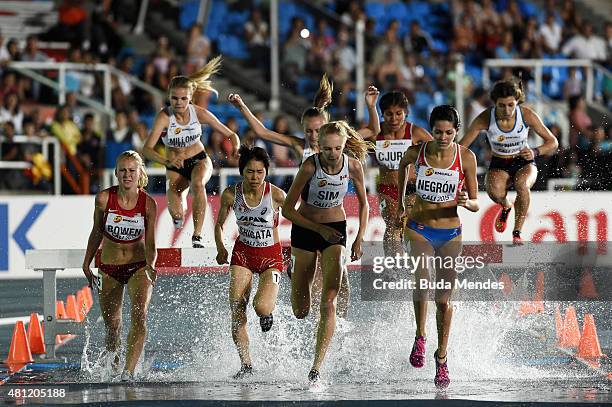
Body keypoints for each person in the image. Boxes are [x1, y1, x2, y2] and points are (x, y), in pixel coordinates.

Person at [228, 75, 379, 317]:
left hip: (332, 219)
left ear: (327, 128)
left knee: (341, 280)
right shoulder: (302, 147)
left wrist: (371, 106)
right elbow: (263, 132)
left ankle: (338, 324)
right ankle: (303, 288)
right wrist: (242, 106)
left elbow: (373, 130)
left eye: (317, 130)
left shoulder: (339, 144)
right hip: (307, 220)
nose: (312, 135)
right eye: (308, 130)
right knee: (307, 297)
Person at [396, 105, 479, 389]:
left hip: (450, 234)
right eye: (438, 132)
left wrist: (468, 202)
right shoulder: (417, 153)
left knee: (443, 301)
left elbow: (477, 202)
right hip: (419, 228)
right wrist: (400, 204)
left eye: (449, 132)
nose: (443, 137)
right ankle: (420, 336)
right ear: (431, 130)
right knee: (422, 282)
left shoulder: (466, 157)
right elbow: (401, 167)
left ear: (457, 131)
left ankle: (441, 357)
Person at [282, 121, 371, 385]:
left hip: (335, 230)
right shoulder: (310, 166)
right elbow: (288, 209)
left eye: (338, 148)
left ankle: (316, 367)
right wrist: (317, 229)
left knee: (329, 300)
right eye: (328, 148)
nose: (333, 154)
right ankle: (294, 272)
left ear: (344, 146)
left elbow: (365, 205)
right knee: (301, 309)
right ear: (319, 146)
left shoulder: (352, 166)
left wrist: (358, 239)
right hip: (306, 228)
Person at [143, 56, 239, 248]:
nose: (179, 103)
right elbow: (146, 149)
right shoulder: (164, 117)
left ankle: (197, 236)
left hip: (199, 159)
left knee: (198, 184)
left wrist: (236, 146)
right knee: (176, 211)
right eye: (174, 98)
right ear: (169, 97)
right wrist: (166, 161)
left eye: (184, 99)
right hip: (174, 165)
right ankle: (179, 219)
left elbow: (230, 134)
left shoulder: (199, 113)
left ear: (190, 97)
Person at [81, 150, 157, 381]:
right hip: (109, 268)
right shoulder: (104, 199)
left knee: (139, 316)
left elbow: (152, 241)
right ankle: (114, 367)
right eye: (123, 170)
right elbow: (96, 232)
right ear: (116, 173)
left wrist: (151, 264)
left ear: (139, 173)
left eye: (132, 171)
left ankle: (129, 372)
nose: (127, 175)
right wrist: (87, 263)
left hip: (138, 266)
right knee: (112, 326)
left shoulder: (148, 203)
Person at [215, 145, 286, 379]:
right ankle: (246, 365)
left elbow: (297, 218)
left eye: (259, 172)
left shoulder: (275, 195)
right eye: (249, 172)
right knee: (236, 310)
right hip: (243, 255)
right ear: (241, 172)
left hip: (271, 258)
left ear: (266, 172)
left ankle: (267, 313)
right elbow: (218, 225)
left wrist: (296, 251)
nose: (254, 177)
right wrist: (220, 247)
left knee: (261, 307)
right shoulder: (231, 194)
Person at [459, 79, 558, 243]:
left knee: (522, 185)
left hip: (524, 160)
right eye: (502, 105)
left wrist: (535, 151)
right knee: (495, 193)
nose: (507, 110)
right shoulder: (485, 118)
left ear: (517, 102)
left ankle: (517, 233)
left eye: (511, 105)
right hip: (500, 162)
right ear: (494, 103)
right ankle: (506, 205)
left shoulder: (526, 115)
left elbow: (553, 142)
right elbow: (461, 147)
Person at [364, 91, 432, 256]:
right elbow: (350, 142)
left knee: (413, 226)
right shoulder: (375, 135)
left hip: (412, 188)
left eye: (398, 114)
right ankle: (393, 269)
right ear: (382, 114)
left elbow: (441, 153)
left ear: (406, 113)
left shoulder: (416, 133)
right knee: (394, 224)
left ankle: (417, 263)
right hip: (388, 189)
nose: (394, 119)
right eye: (389, 114)